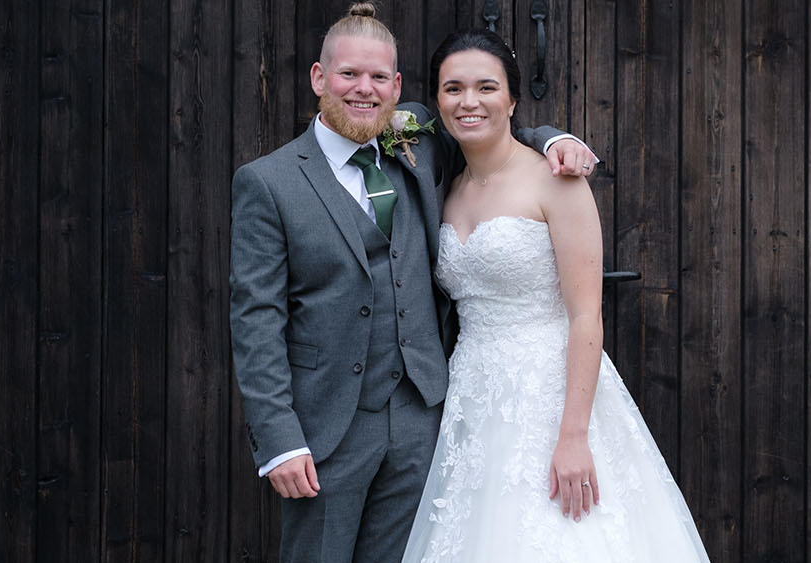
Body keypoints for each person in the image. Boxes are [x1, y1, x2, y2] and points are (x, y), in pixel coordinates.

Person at [229, 5, 596, 562]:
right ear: (319, 77)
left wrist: (553, 139)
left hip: (425, 418)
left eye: (379, 77)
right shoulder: (268, 182)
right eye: (349, 74)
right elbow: (256, 317)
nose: (364, 89)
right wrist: (279, 439)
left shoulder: (418, 146)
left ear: (397, 86)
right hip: (327, 427)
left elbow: (492, 127)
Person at [400, 30, 710, 562]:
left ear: (512, 99)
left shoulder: (557, 179)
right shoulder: (444, 181)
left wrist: (573, 436)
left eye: (486, 87)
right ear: (437, 101)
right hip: (473, 397)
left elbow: (587, 315)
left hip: (549, 394)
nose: (468, 101)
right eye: (453, 88)